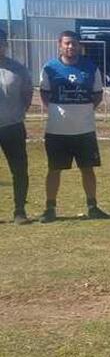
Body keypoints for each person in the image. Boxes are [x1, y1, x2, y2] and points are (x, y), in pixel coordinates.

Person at [40, 30, 108, 222]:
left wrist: (84, 110)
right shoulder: (50, 68)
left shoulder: (91, 68)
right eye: (67, 43)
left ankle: (92, 207)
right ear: (59, 44)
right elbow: (45, 94)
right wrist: (56, 110)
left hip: (84, 130)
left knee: (88, 169)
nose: (71, 47)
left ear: (79, 46)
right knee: (54, 169)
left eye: (74, 44)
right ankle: (50, 208)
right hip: (57, 130)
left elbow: (97, 95)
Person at [0, 29, 33, 224]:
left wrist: (18, 114)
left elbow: (27, 94)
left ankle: (19, 211)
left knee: (19, 169)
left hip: (13, 127)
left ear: (6, 44)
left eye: (1, 42)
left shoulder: (18, 69)